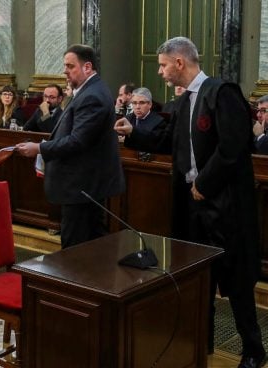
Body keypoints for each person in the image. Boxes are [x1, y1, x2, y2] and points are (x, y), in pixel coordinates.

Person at [113, 36, 266, 368]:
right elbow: (168, 141)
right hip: (192, 209)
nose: (161, 72)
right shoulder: (181, 103)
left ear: (179, 63)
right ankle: (202, 341)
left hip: (224, 207)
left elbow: (234, 146)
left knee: (236, 283)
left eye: (163, 65)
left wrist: (204, 184)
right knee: (197, 277)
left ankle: (253, 350)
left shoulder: (221, 93)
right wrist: (132, 134)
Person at [16, 44, 125, 249]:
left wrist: (39, 148)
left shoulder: (92, 95)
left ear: (87, 67)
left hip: (83, 186)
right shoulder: (87, 91)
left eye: (70, 66)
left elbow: (78, 141)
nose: (65, 71)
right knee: (90, 245)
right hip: (83, 186)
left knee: (75, 248)